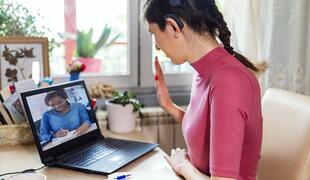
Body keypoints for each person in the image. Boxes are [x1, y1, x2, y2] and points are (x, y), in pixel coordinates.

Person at [143, 0, 263, 180]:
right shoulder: (206, 71)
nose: (157, 47)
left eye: (153, 33)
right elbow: (208, 134)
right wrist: (170, 106)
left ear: (173, 27)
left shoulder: (228, 80)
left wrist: (183, 165)